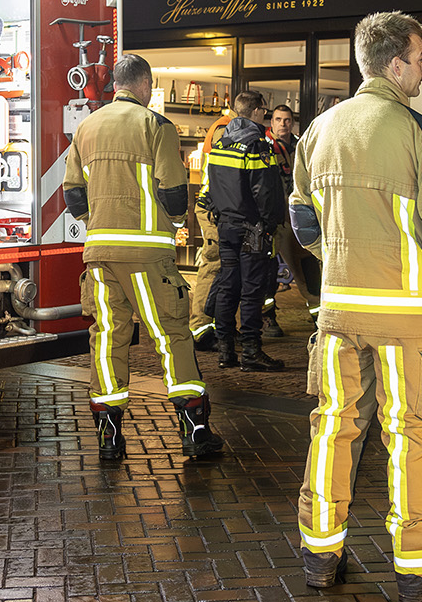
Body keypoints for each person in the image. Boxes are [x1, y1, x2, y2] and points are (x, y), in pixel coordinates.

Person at [291, 11, 422, 602]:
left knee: (334, 428)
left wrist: (340, 264)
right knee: (411, 436)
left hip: (338, 312)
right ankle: (420, 575)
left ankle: (321, 553)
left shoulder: (318, 131)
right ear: (396, 63)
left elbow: (303, 222)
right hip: (405, 317)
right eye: (421, 57)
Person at [64, 54, 221, 460]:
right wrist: (172, 220)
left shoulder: (86, 127)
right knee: (171, 334)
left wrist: (98, 218)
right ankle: (195, 430)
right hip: (148, 254)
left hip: (98, 253)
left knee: (107, 337)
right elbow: (172, 191)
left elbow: (73, 195)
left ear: (116, 84)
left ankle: (109, 437)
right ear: (146, 86)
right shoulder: (156, 125)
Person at [205, 89, 287, 372]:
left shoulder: (220, 143)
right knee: (252, 290)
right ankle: (251, 351)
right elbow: (264, 190)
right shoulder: (257, 145)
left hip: (226, 225)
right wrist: (270, 223)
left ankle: (225, 350)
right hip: (253, 228)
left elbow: (211, 186)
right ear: (257, 111)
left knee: (228, 286)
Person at [262, 104, 319, 339]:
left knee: (308, 265)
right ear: (271, 123)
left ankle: (318, 315)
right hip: (273, 217)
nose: (283, 124)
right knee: (267, 271)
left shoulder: (301, 145)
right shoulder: (262, 146)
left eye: (287, 120)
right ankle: (268, 318)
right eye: (278, 119)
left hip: (297, 212)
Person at [188, 112, 228, 351]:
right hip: (214, 208)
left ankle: (208, 326)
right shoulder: (225, 130)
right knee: (212, 266)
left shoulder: (222, 128)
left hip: (213, 206)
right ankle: (200, 328)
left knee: (218, 270)